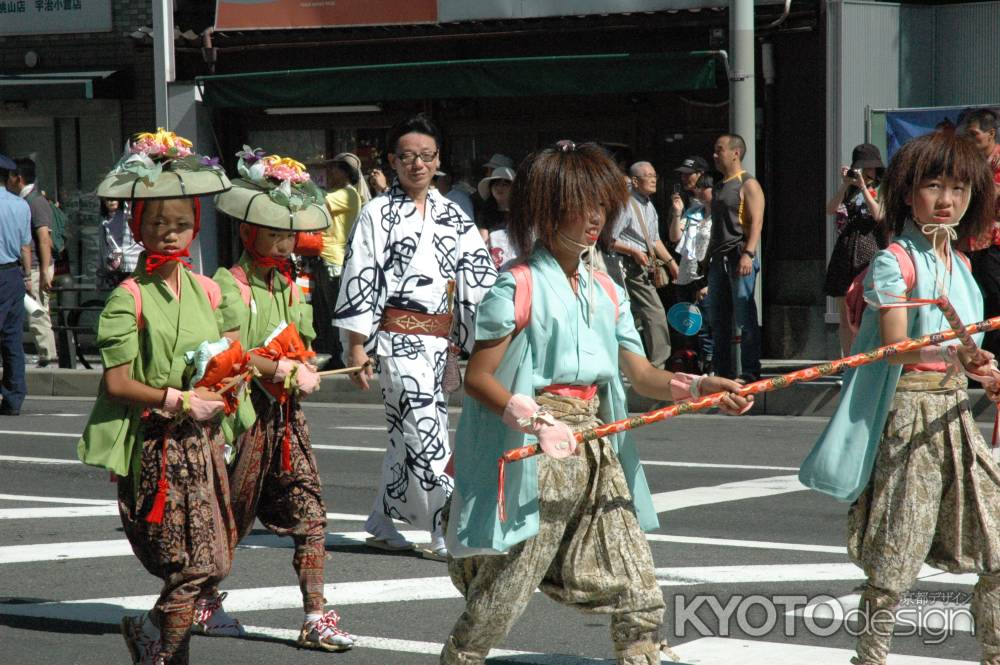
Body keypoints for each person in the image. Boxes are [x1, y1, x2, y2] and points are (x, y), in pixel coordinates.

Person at [440, 140, 752, 665]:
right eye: (579, 205)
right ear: (544, 209)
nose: (594, 218)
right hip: (538, 445)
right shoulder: (515, 284)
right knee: (513, 577)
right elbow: (479, 377)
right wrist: (537, 422)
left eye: (602, 204)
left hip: (597, 442)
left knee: (636, 579)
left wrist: (700, 387)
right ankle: (462, 657)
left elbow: (641, 374)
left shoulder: (606, 287)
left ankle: (642, 653)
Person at [801, 131, 1000, 665]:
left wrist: (984, 367)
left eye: (959, 188)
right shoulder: (894, 261)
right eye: (933, 185)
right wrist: (958, 353)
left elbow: (969, 349)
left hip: (956, 415)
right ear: (908, 193)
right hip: (909, 416)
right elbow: (895, 348)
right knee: (895, 557)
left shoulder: (963, 266)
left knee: (997, 548)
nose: (946, 199)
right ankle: (870, 656)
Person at [75, 129, 239, 665]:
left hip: (204, 443)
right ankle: (164, 654)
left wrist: (227, 384)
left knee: (213, 563)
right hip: (156, 448)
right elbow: (117, 384)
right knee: (186, 566)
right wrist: (177, 398)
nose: (170, 235)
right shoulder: (129, 297)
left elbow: (226, 359)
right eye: (157, 225)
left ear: (195, 225)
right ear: (139, 228)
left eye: (181, 224)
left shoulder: (208, 289)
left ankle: (148, 633)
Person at [207, 148, 355, 651]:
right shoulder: (229, 284)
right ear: (250, 232)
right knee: (230, 515)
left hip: (287, 421)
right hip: (245, 419)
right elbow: (231, 355)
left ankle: (316, 614)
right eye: (272, 231)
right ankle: (204, 597)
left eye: (288, 232)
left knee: (311, 512)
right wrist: (279, 367)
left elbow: (304, 343)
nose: (282, 240)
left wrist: (305, 363)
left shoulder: (295, 285)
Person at [334, 114, 497, 561]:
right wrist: (354, 344)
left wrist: (501, 323)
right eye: (407, 157)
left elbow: (480, 277)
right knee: (427, 433)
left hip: (439, 342)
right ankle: (445, 527)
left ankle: (383, 522)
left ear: (438, 160)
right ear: (392, 161)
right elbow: (360, 274)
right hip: (395, 339)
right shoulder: (376, 213)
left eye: (426, 156)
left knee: (405, 436)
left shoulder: (453, 214)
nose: (418, 165)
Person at [706, 133, 765, 381]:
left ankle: (750, 370)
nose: (715, 155)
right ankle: (722, 370)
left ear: (735, 153)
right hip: (718, 259)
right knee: (718, 318)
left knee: (744, 315)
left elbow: (757, 222)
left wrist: (748, 254)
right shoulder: (719, 187)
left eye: (719, 149)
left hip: (739, 255)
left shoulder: (747, 183)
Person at [611, 161, 677, 369]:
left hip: (643, 264)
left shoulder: (648, 205)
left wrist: (671, 262)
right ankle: (659, 364)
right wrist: (633, 251)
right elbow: (609, 239)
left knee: (634, 316)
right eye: (647, 175)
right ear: (635, 181)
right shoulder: (625, 204)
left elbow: (655, 240)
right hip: (628, 265)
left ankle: (634, 364)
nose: (653, 179)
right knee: (654, 311)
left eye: (654, 175)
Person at [823, 143, 886, 357]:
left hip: (870, 250)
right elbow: (831, 209)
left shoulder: (883, 189)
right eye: (862, 168)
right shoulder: (849, 190)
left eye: (869, 168)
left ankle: (869, 358)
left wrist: (863, 189)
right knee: (845, 313)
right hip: (846, 250)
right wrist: (845, 185)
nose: (866, 173)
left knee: (869, 310)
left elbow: (879, 216)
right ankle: (848, 360)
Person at [312, 152, 363, 361]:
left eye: (333, 168)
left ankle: (337, 356)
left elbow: (319, 203)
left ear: (345, 173)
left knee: (333, 312)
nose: (328, 172)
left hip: (335, 260)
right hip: (325, 257)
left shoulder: (348, 194)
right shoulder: (338, 193)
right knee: (324, 312)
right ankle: (330, 353)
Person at [7, 157, 56, 367]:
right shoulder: (29, 200)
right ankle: (46, 354)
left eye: (9, 176)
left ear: (18, 178)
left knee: (38, 313)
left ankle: (49, 356)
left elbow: (44, 238)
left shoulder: (35, 201)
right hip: (34, 267)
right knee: (36, 312)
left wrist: (44, 270)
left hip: (37, 266)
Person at [961, 109, 1000, 359]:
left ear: (991, 134)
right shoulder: (971, 164)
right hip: (970, 242)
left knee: (996, 301)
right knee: (973, 302)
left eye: (974, 135)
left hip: (994, 243)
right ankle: (979, 358)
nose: (970, 141)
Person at [668, 172, 715, 372]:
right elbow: (675, 238)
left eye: (704, 188)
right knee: (689, 325)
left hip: (708, 276)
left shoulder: (721, 215)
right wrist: (677, 212)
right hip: (688, 275)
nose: (699, 191)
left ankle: (710, 365)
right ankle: (692, 365)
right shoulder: (694, 211)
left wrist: (707, 282)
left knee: (706, 326)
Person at [0, 153, 31, 416]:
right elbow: (24, 244)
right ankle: (13, 398)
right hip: (12, 274)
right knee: (12, 338)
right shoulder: (21, 205)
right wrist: (29, 276)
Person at [475, 166, 517, 269]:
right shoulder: (485, 214)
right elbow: (481, 244)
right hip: (493, 271)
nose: (499, 188)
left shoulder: (522, 214)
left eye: (505, 184)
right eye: (496, 184)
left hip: (519, 269)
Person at [99, 199, 144, 288]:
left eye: (113, 199)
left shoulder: (124, 217)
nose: (111, 202)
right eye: (107, 200)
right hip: (113, 260)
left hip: (127, 258)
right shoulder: (104, 220)